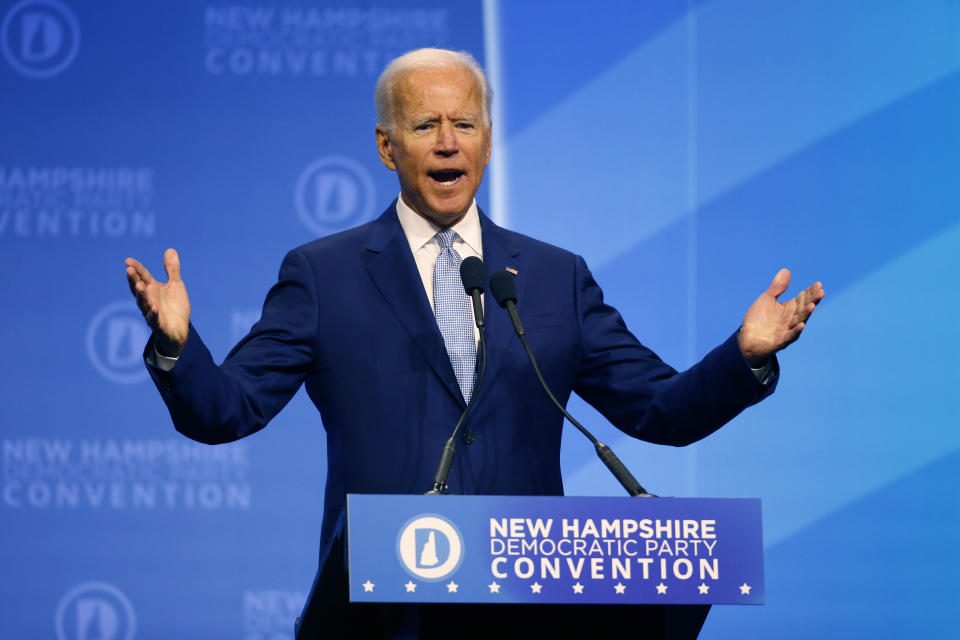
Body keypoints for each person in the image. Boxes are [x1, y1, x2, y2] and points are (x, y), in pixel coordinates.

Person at [125, 48, 823, 639]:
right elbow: (227, 409)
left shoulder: (554, 276)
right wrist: (178, 347)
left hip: (531, 615)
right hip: (385, 616)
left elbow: (659, 409)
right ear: (386, 145)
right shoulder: (323, 274)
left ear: (487, 139)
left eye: (464, 122)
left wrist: (746, 356)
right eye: (425, 124)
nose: (448, 141)